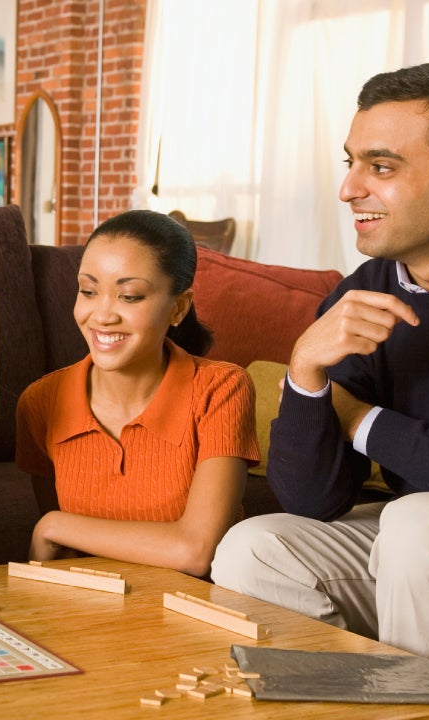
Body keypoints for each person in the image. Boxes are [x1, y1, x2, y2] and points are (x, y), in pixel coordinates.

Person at [211, 62, 429, 675]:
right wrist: (306, 373)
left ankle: (413, 711)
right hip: (423, 551)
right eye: (352, 163)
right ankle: (344, 703)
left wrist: (361, 421)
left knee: (421, 523)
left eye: (382, 167)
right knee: (253, 548)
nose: (349, 189)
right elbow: (312, 500)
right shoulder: (363, 293)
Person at [15, 210, 259, 577]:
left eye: (129, 296)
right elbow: (64, 556)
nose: (102, 315)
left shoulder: (222, 389)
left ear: (179, 307)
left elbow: (196, 551)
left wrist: (53, 525)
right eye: (88, 291)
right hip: (89, 602)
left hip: (193, 603)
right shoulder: (41, 402)